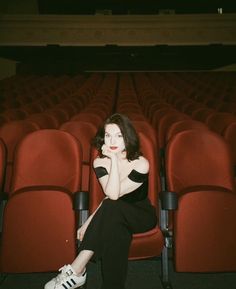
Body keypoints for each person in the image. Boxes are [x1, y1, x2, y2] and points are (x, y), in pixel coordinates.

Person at [44, 113, 157, 289]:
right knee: (116, 232)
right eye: (108, 135)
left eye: (119, 135)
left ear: (128, 137)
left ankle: (77, 268)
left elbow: (113, 196)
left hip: (140, 215)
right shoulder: (99, 163)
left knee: (114, 209)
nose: (113, 140)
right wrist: (90, 220)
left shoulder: (141, 163)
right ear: (102, 138)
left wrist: (113, 159)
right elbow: (111, 200)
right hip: (116, 216)